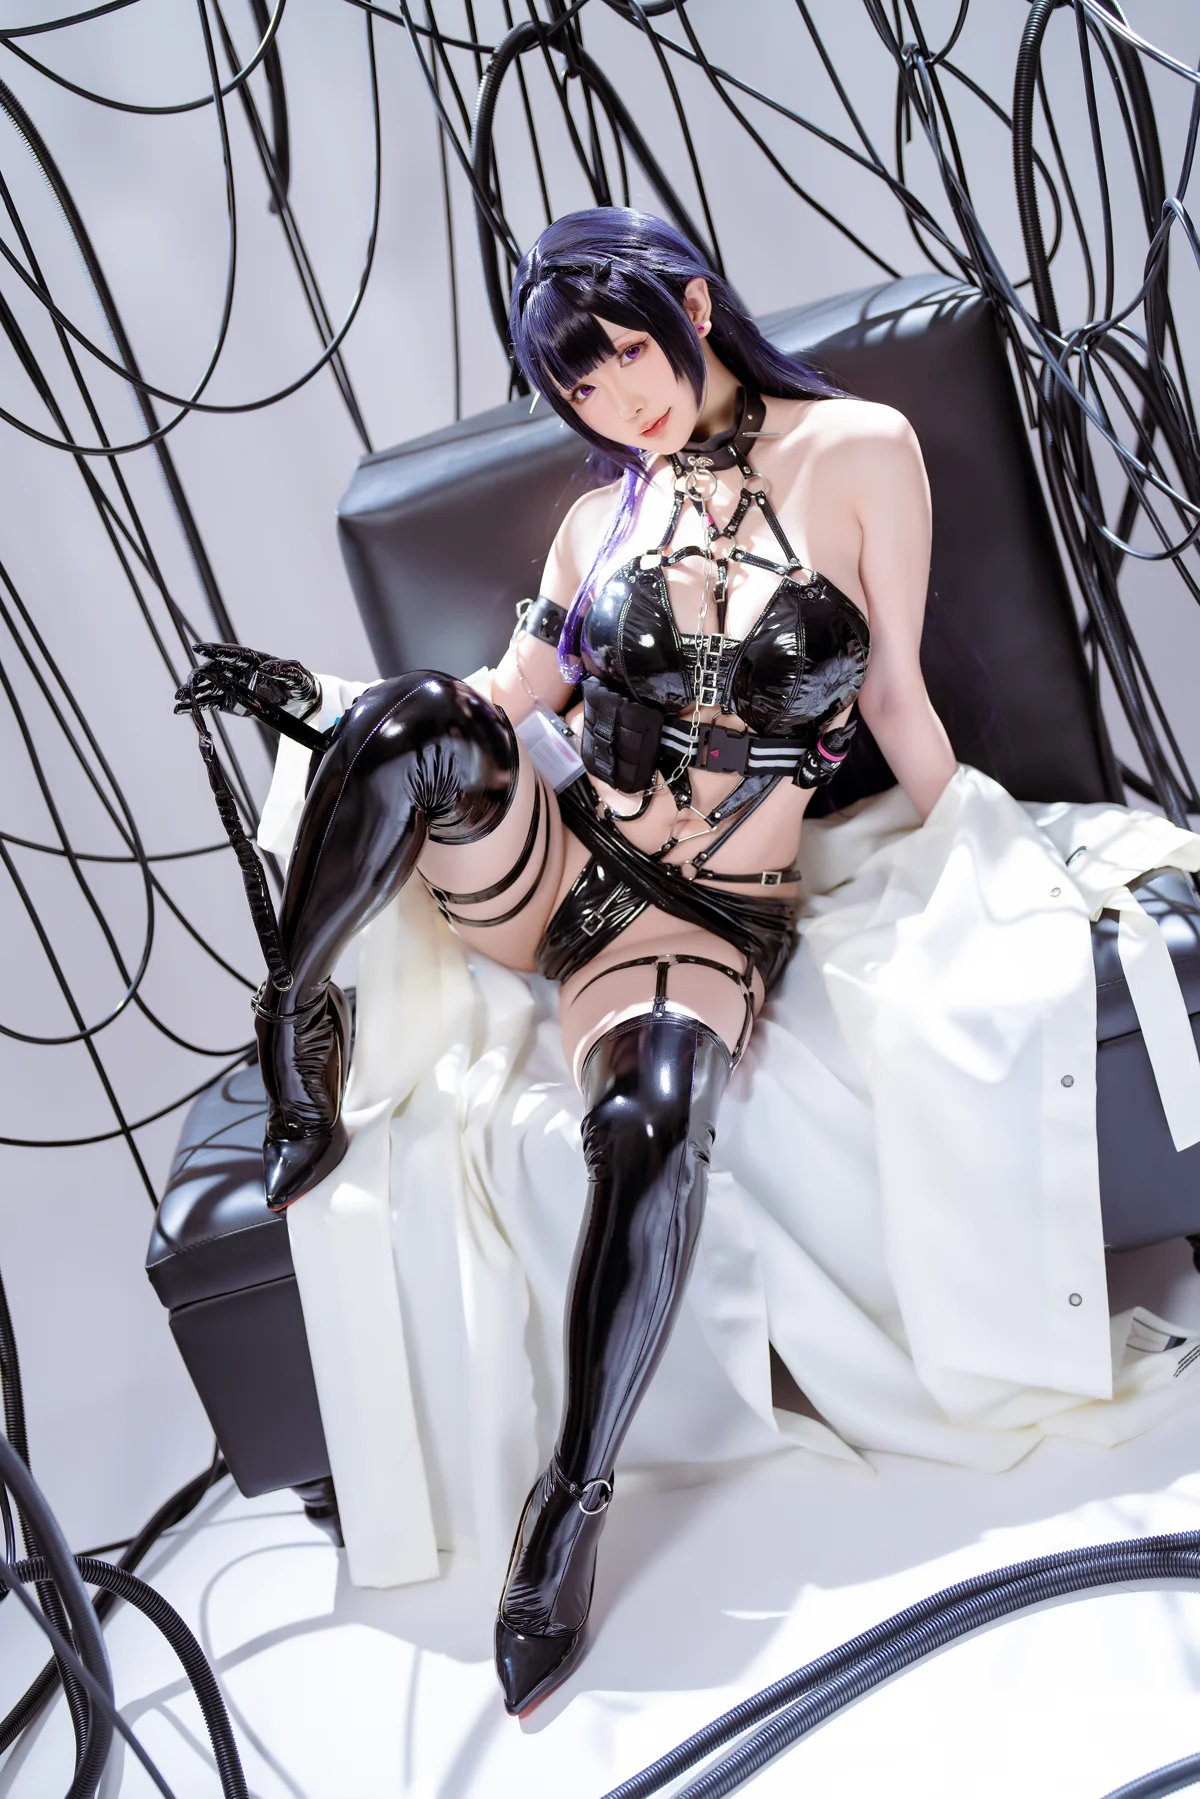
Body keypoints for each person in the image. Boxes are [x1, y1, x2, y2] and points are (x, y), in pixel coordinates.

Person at [177, 206, 958, 1715]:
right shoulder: (599, 525)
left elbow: (900, 700)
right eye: (578, 386)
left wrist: (995, 852)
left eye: (619, 356)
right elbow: (501, 694)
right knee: (416, 715)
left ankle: (569, 1507)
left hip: (703, 919)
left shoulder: (863, 451)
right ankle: (295, 1027)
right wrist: (318, 710)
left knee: (652, 1120)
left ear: (692, 305)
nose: (613, 400)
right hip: (558, 872)